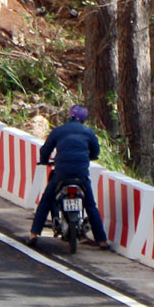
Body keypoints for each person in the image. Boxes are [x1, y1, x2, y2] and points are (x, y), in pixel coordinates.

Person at [27, 104, 110, 249]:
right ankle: (102, 241)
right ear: (85, 118)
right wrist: (88, 157)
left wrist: (45, 160)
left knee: (46, 200)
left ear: (69, 115)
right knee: (90, 205)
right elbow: (96, 151)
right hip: (81, 174)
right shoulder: (88, 132)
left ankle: (34, 234)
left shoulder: (59, 131)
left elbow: (45, 149)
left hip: (61, 173)